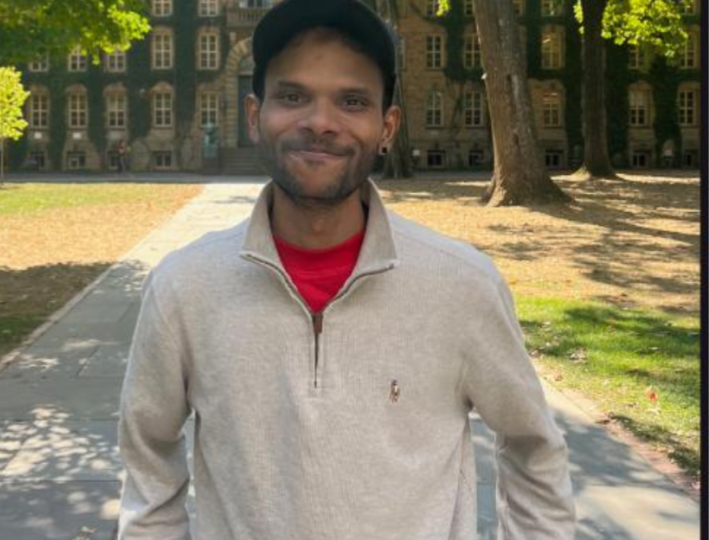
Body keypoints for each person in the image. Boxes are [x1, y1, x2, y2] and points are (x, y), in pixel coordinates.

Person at [117, 0, 575, 538]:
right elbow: (148, 461)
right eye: (293, 96)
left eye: (352, 101)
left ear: (387, 127)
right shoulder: (184, 288)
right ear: (254, 116)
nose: (320, 122)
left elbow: (533, 446)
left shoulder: (461, 285)